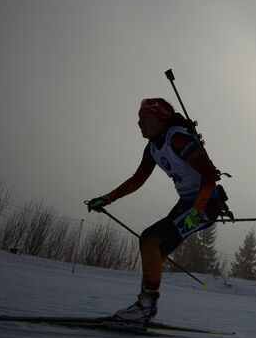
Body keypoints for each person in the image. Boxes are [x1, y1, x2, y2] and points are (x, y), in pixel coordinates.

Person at [86, 98, 228, 324]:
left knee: (150, 239)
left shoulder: (178, 138)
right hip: (187, 204)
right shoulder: (153, 147)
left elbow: (210, 175)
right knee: (155, 251)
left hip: (204, 204)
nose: (139, 123)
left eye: (145, 118)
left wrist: (197, 210)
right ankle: (144, 306)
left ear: (161, 119)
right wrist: (106, 199)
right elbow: (137, 181)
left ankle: (145, 307)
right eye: (138, 119)